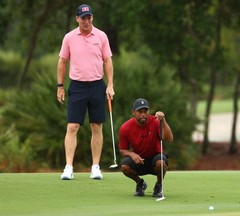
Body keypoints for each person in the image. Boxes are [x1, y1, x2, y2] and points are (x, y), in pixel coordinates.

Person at [57, 4, 114, 180]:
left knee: (96, 126)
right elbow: (62, 62)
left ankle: (95, 167)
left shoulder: (101, 36)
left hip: (97, 85)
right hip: (77, 86)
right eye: (83, 18)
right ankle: (68, 167)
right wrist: (60, 86)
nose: (86, 21)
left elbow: (108, 61)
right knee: (72, 126)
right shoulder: (69, 37)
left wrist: (110, 84)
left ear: (92, 18)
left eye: (89, 17)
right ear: (77, 19)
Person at [118, 98, 173, 197]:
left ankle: (159, 186)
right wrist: (132, 154)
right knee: (124, 167)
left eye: (145, 111)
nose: (143, 114)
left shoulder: (155, 122)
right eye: (140, 111)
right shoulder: (125, 128)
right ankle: (140, 183)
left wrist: (163, 121)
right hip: (139, 160)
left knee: (161, 162)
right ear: (133, 112)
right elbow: (123, 150)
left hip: (155, 159)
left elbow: (169, 138)